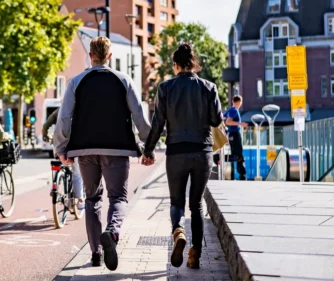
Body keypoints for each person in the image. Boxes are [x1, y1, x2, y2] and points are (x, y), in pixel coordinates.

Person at [54, 36, 150, 271]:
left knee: (92, 198)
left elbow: (64, 118)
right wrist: (148, 145)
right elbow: (138, 116)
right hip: (117, 149)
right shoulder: (123, 80)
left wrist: (61, 148)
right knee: (118, 197)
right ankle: (112, 233)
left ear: (90, 55)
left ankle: (96, 252)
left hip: (85, 149)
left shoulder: (76, 82)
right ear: (110, 56)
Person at [142, 43, 223, 269]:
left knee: (176, 200)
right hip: (202, 151)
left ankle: (178, 231)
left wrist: (147, 151)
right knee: (196, 204)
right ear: (193, 63)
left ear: (175, 65)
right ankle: (194, 253)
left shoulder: (166, 88)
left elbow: (157, 124)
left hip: (176, 151)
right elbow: (216, 120)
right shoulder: (209, 87)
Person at [42, 107, 84, 211]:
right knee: (77, 172)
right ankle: (80, 199)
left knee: (58, 165)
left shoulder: (58, 110)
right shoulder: (79, 109)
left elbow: (46, 125)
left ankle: (54, 187)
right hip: (74, 144)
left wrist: (47, 137)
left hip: (58, 143)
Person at [225, 95, 248, 180]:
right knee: (239, 155)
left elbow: (223, 118)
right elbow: (228, 122)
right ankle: (242, 174)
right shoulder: (234, 110)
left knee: (236, 154)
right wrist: (240, 124)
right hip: (235, 133)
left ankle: (241, 174)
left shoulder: (229, 110)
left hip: (231, 134)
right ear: (240, 102)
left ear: (232, 101)